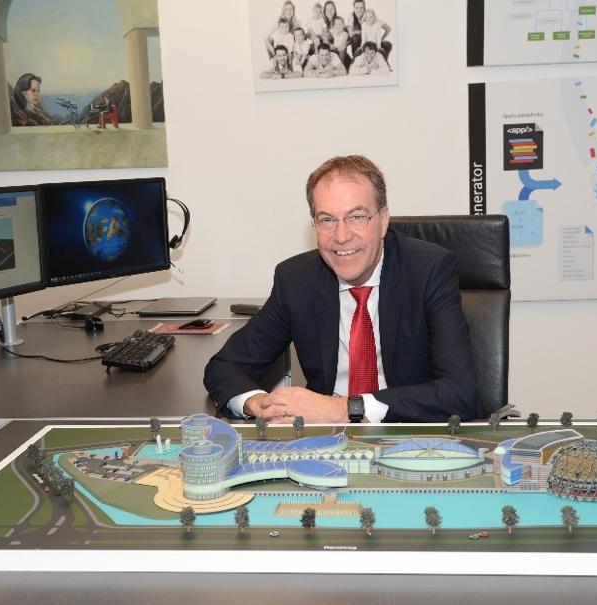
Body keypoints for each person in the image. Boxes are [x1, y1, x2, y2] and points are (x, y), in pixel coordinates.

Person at [203, 155, 479, 424]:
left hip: (410, 439)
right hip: (326, 442)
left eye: (356, 217)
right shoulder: (296, 280)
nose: (342, 236)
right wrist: (259, 405)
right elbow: (224, 367)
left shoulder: (428, 270)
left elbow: (459, 395)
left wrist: (342, 409)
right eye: (327, 220)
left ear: (383, 220)